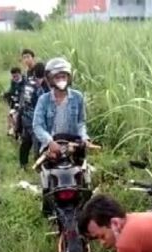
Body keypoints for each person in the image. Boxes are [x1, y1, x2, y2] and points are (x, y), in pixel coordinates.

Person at [33, 57, 91, 215]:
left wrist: (84, 137)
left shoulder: (78, 97)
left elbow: (81, 122)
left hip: (73, 144)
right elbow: (37, 126)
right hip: (52, 145)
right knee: (48, 180)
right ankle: (48, 208)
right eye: (57, 77)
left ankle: (85, 211)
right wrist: (49, 141)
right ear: (50, 79)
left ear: (69, 77)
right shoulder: (43, 100)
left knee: (84, 178)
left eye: (64, 76)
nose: (61, 80)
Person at [19, 62, 50, 169]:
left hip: (25, 116)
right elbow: (42, 107)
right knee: (38, 143)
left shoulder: (28, 82)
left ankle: (23, 164)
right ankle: (38, 167)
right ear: (45, 74)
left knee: (25, 142)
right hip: (34, 119)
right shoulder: (39, 88)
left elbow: (22, 100)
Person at [3, 67, 26, 138]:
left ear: (20, 74)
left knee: (17, 115)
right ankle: (12, 130)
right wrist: (5, 93)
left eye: (16, 76)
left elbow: (23, 93)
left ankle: (17, 131)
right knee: (11, 115)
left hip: (23, 101)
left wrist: (20, 104)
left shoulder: (25, 81)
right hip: (15, 100)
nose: (15, 78)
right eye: (13, 76)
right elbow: (11, 90)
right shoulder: (13, 81)